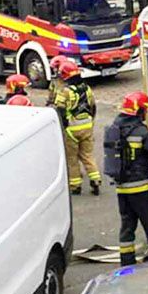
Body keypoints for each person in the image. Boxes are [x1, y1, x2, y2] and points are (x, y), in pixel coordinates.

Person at [104, 91, 148, 265]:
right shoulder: (142, 132)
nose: (145, 113)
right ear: (138, 110)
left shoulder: (115, 128)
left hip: (122, 189)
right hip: (141, 189)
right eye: (144, 110)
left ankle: (127, 262)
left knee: (127, 227)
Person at [54, 60, 101, 194]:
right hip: (87, 126)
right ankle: (95, 179)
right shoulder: (87, 89)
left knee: (72, 158)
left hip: (71, 129)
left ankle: (75, 186)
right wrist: (91, 121)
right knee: (87, 155)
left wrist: (64, 126)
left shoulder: (64, 92)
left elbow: (60, 110)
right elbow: (93, 106)